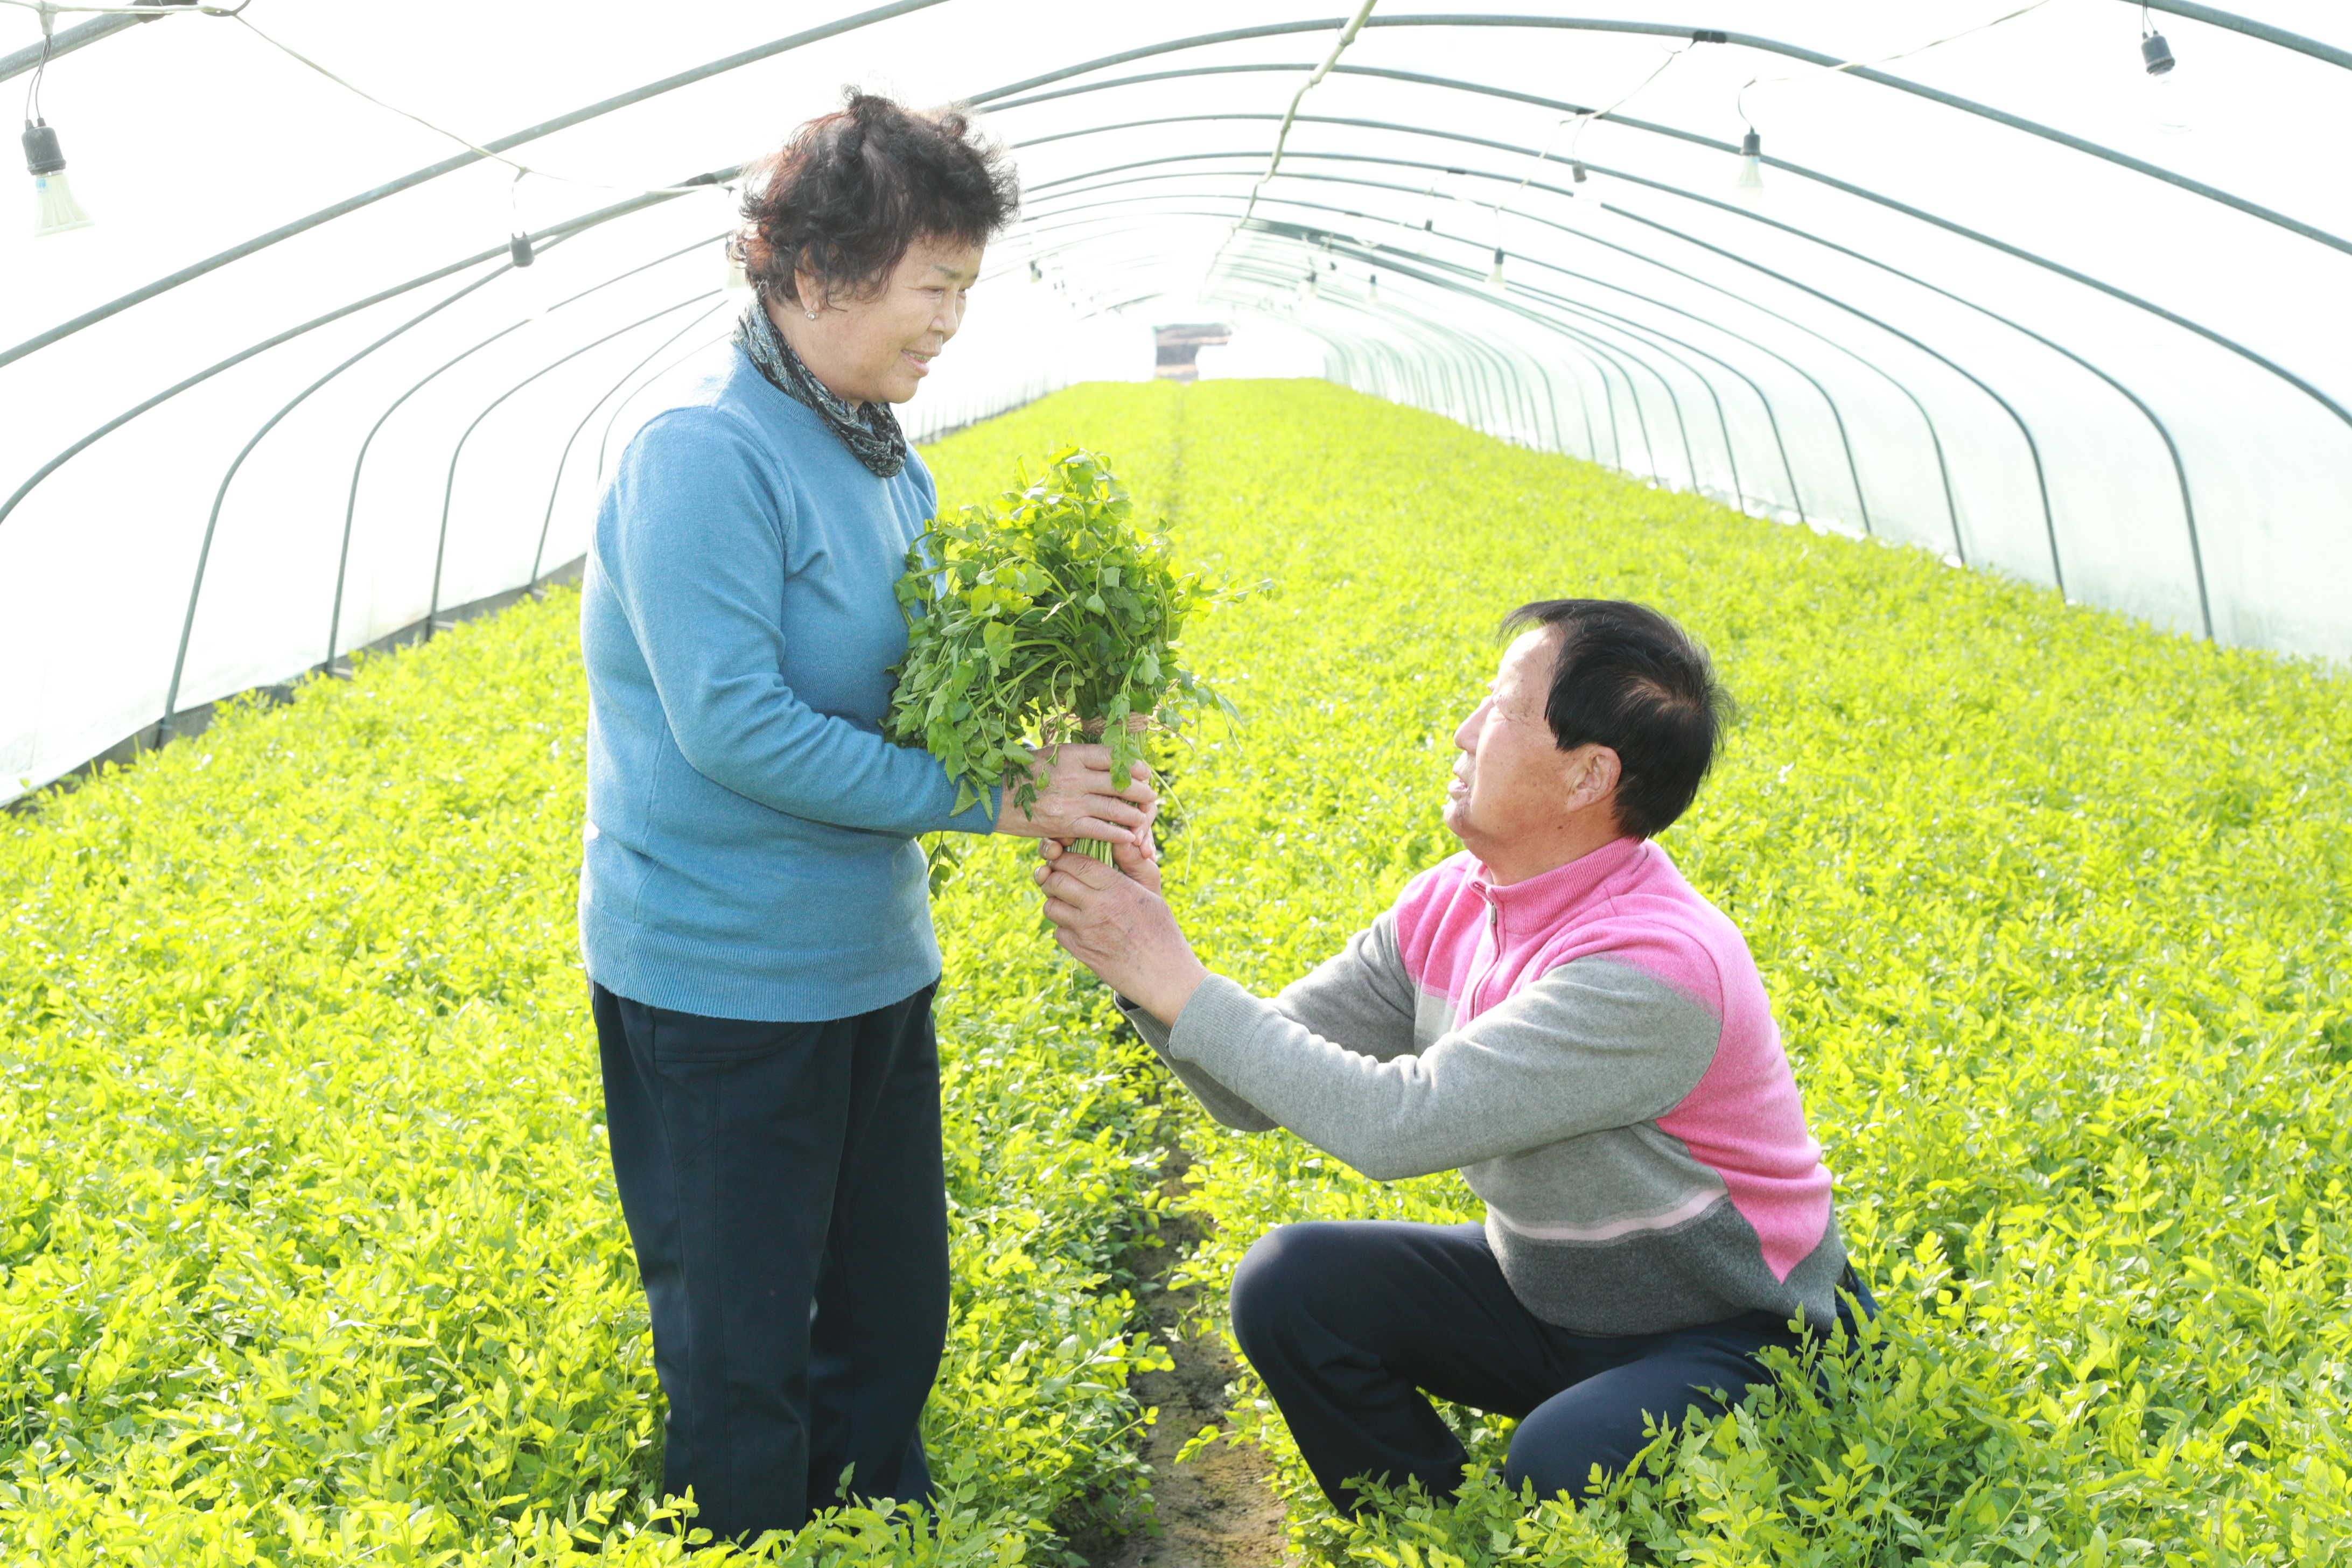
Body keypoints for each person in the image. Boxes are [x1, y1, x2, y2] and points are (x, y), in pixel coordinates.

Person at [579, 92, 1153, 1539]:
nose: (953, 316)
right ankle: (752, 1536)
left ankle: (881, 1531)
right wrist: (998, 798)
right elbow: (737, 728)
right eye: (934, 281)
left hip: (869, 962)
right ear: (818, 269)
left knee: (893, 1315)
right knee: (741, 1342)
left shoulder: (887, 459)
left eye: (966, 283)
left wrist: (1074, 746)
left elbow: (924, 699)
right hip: (721, 981)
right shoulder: (703, 459)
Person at [1033, 599, 1872, 1513]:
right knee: (1292, 1286)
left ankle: (1565, 1467)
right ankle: (1435, 1527)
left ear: (1590, 775)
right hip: (1554, 1304)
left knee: (1560, 1462)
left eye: (1507, 712)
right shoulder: (1455, 903)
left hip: (1741, 1331)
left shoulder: (1657, 968)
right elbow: (1248, 1097)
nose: (1467, 732)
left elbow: (1399, 1125)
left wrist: (1175, 975)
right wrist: (1142, 967)